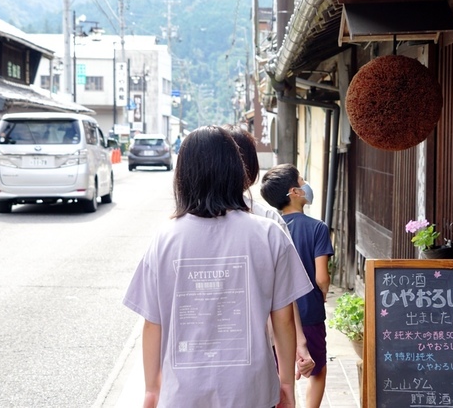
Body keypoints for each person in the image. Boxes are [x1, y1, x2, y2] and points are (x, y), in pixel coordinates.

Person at [123, 126, 313, 408]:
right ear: (235, 170)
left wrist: (152, 389)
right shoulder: (269, 233)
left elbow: (153, 323)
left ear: (183, 176)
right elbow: (283, 318)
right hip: (252, 390)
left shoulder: (164, 239)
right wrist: (286, 384)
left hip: (183, 393)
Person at [225, 125, 315, 380]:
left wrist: (299, 343)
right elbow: (285, 295)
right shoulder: (268, 221)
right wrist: (299, 344)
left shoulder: (178, 228)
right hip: (259, 348)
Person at [260, 164, 334, 408]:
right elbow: (321, 277)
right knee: (317, 369)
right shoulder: (317, 228)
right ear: (294, 192)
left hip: (277, 313)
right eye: (302, 182)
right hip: (310, 311)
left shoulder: (269, 229)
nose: (306, 186)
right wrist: (322, 294)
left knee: (281, 372)